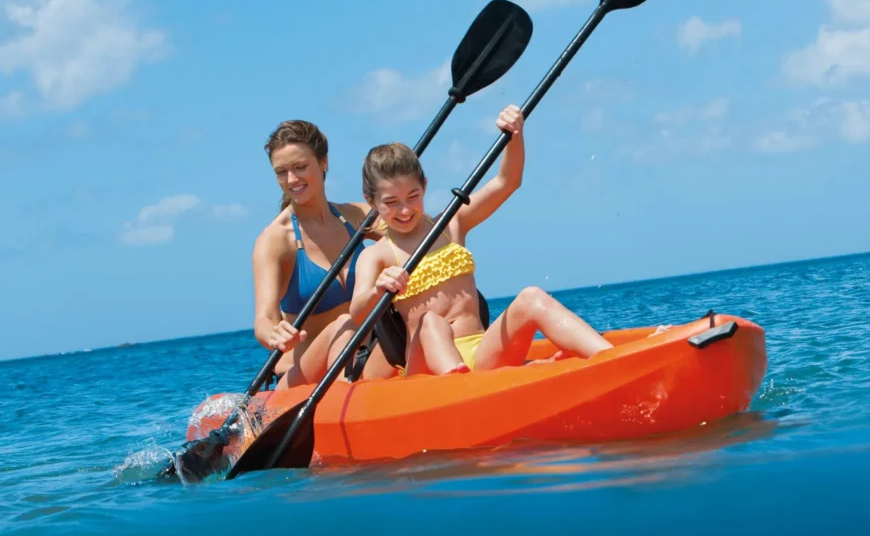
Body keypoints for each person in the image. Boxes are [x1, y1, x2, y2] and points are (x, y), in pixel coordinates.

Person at [349, 105, 614, 377]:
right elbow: (357, 313)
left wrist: (514, 135)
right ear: (371, 202)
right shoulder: (377, 255)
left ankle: (611, 356)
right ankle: (459, 384)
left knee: (531, 296)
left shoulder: (451, 224)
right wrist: (378, 291)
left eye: (412, 196)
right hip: (425, 366)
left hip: (480, 350)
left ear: (425, 186)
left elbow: (506, 182)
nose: (404, 210)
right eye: (391, 202)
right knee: (431, 321)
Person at [252, 119, 395, 389]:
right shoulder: (275, 240)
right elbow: (264, 318)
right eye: (281, 172)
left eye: (300, 167)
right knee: (343, 324)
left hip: (364, 356)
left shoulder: (356, 216)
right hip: (305, 374)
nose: (292, 179)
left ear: (323, 163)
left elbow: (415, 231)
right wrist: (274, 334)